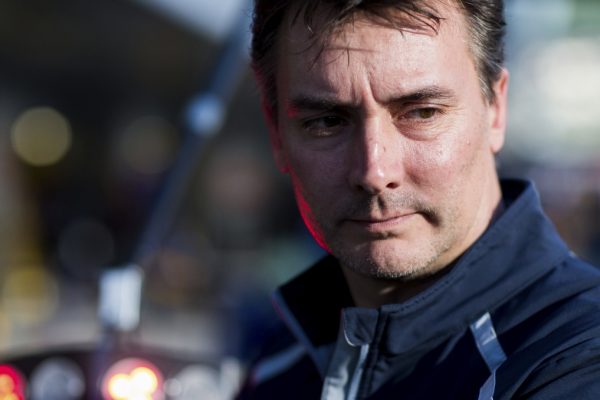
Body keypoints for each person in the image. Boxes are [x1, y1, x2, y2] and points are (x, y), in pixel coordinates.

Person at [238, 0, 600, 398]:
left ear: (495, 110)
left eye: (422, 113)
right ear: (276, 134)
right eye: (326, 122)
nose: (375, 172)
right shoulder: (281, 358)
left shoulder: (578, 360)